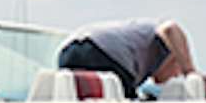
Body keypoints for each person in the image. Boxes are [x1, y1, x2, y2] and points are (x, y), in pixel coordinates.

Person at [56, 18, 195, 95]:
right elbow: (172, 28)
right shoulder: (161, 42)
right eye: (177, 72)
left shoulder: (145, 63)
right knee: (127, 102)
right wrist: (190, 72)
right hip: (104, 53)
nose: (176, 76)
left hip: (69, 51)